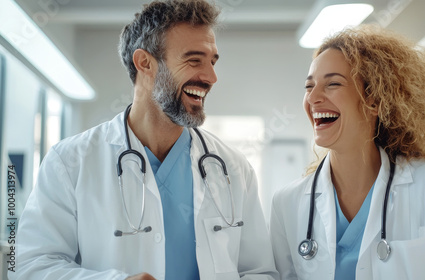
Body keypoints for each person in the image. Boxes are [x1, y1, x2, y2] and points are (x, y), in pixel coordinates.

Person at [10, 1, 278, 279]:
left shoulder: (232, 167)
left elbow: (259, 271)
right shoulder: (69, 162)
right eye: (194, 60)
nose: (211, 77)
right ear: (145, 63)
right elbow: (31, 266)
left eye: (212, 61)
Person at [270, 24, 425, 279]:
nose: (313, 98)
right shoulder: (287, 203)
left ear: (374, 101)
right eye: (309, 86)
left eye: (333, 83)